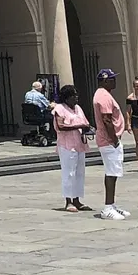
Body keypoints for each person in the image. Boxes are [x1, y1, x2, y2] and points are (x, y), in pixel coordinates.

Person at [90, 69, 129, 220]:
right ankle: (107, 207)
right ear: (104, 81)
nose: (114, 81)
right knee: (111, 173)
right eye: (112, 79)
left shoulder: (103, 94)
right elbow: (107, 119)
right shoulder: (103, 96)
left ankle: (112, 204)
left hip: (109, 139)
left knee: (114, 172)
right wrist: (114, 139)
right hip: (109, 140)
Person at [52, 83, 91, 212]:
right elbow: (61, 126)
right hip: (67, 145)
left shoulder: (78, 108)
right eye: (73, 95)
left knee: (80, 172)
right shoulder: (59, 109)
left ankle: (77, 199)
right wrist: (78, 126)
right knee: (69, 172)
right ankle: (68, 201)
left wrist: (87, 128)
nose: (76, 97)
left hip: (79, 144)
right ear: (67, 97)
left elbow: (85, 122)